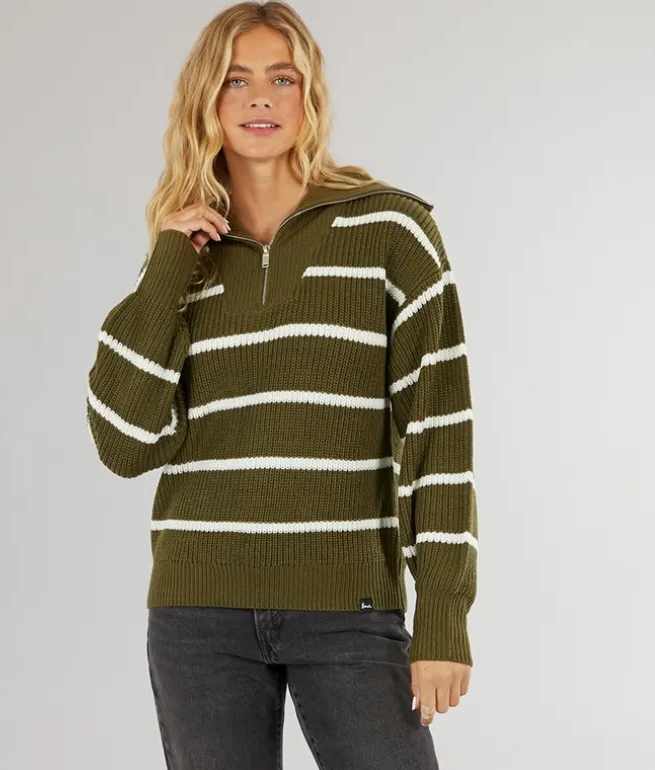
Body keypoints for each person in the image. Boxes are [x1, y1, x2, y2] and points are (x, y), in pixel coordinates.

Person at [85, 2, 478, 767]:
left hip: (350, 607)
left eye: (281, 78)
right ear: (205, 101)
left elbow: (439, 435)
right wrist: (167, 263)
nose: (259, 98)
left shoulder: (392, 232)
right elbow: (124, 443)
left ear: (310, 95)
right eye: (235, 80)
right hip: (199, 616)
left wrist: (444, 616)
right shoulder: (182, 260)